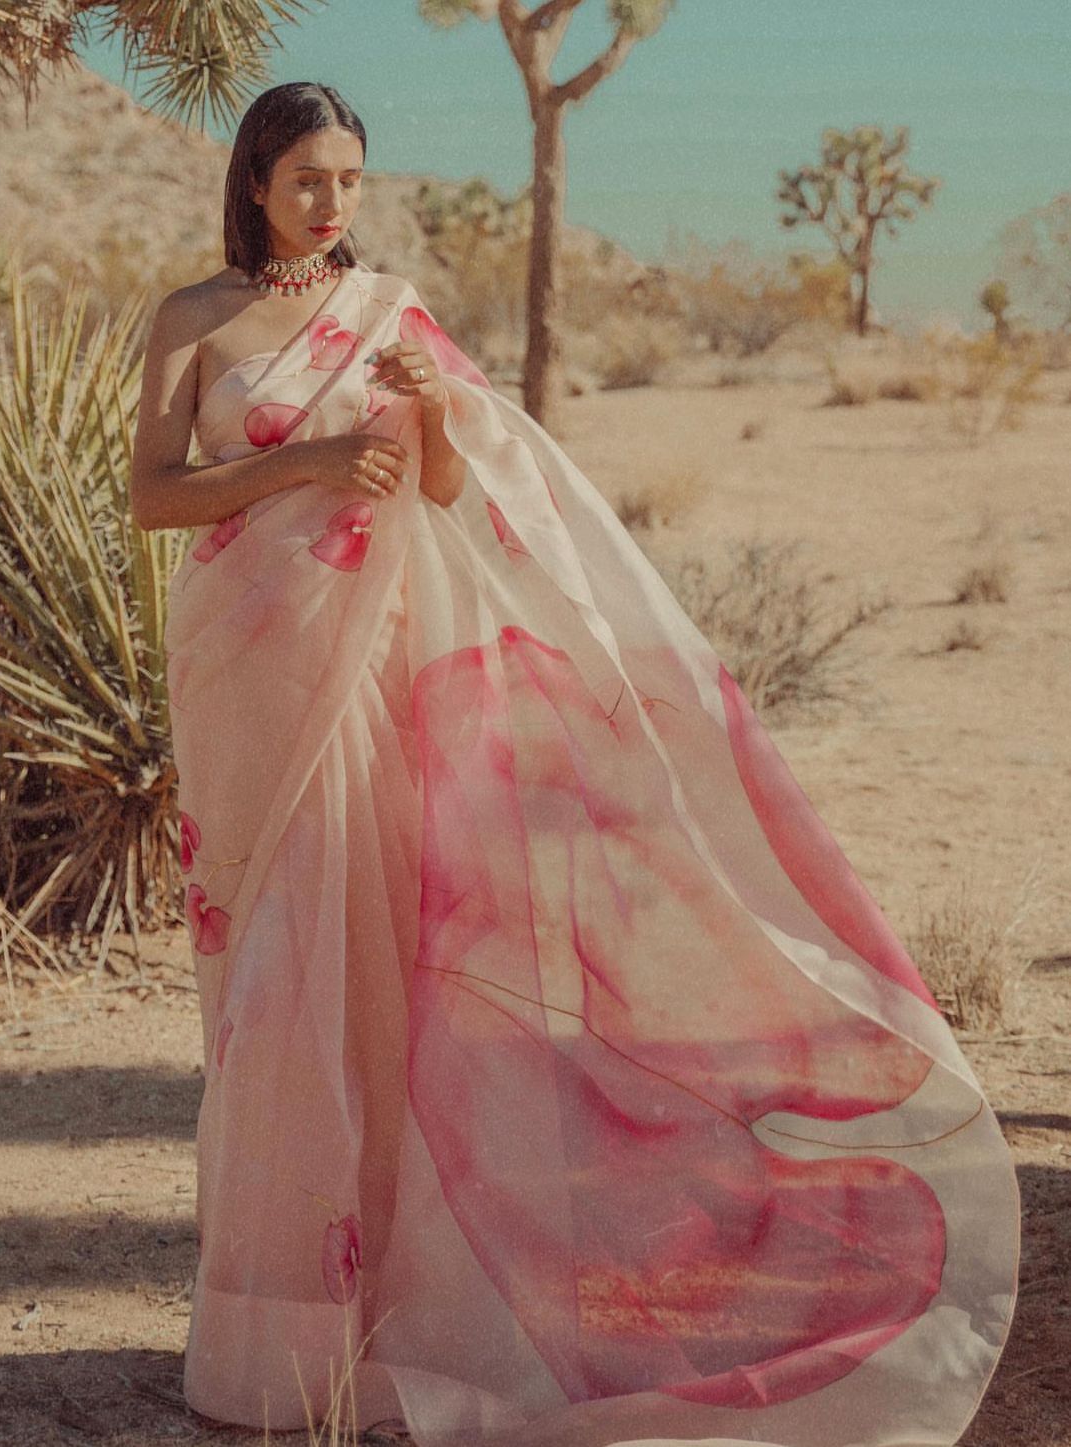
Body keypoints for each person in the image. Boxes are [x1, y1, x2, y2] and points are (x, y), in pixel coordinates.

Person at [130, 81, 1019, 1447]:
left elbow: (438, 493)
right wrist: (303, 459)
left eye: (351, 182)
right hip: (245, 673)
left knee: (361, 970)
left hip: (363, 675)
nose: (333, 206)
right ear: (254, 180)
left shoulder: (388, 311)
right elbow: (152, 494)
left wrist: (429, 419)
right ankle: (263, 1339)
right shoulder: (192, 318)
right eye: (309, 180)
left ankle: (371, 1326)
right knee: (259, 987)